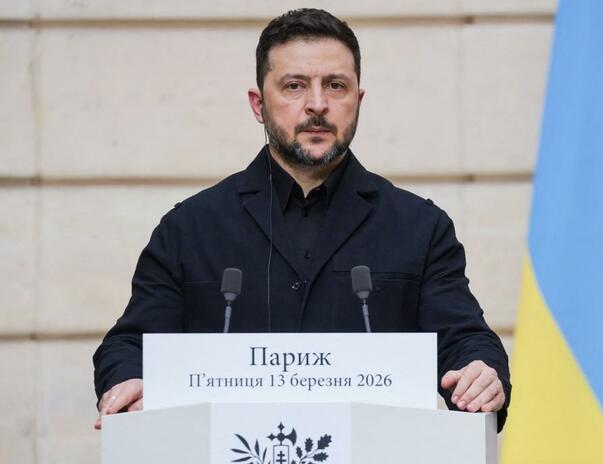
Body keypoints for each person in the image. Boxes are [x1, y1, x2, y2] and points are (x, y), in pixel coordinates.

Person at [93, 8, 511, 431]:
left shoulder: (419, 228)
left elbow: (465, 340)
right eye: (294, 86)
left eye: (336, 85)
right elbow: (129, 345)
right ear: (258, 104)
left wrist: (481, 372)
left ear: (358, 101)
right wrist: (128, 380)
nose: (317, 104)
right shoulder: (190, 228)